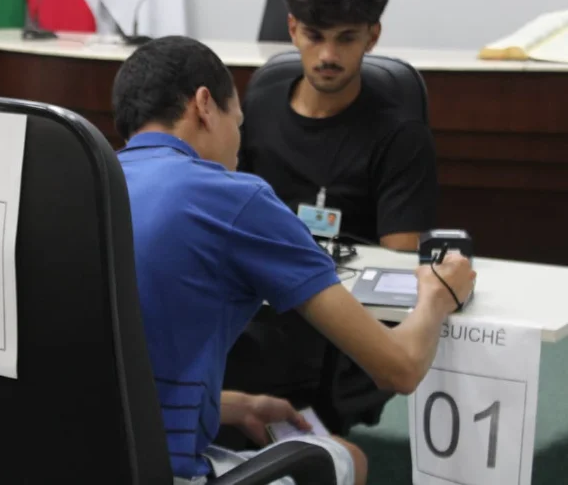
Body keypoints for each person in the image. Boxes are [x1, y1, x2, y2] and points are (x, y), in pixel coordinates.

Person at [112, 35, 475, 485]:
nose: (238, 148)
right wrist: (437, 295)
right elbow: (399, 368)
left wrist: (237, 405)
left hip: (68, 460)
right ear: (204, 105)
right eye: (238, 123)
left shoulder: (85, 185)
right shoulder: (234, 198)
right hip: (162, 471)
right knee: (347, 458)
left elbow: (120, 369)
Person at [238, 0, 437, 252]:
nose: (328, 56)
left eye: (346, 38)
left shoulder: (402, 136)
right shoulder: (257, 109)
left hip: (351, 278)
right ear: (293, 30)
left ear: (372, 37)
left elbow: (400, 261)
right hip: (262, 271)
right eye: (315, 36)